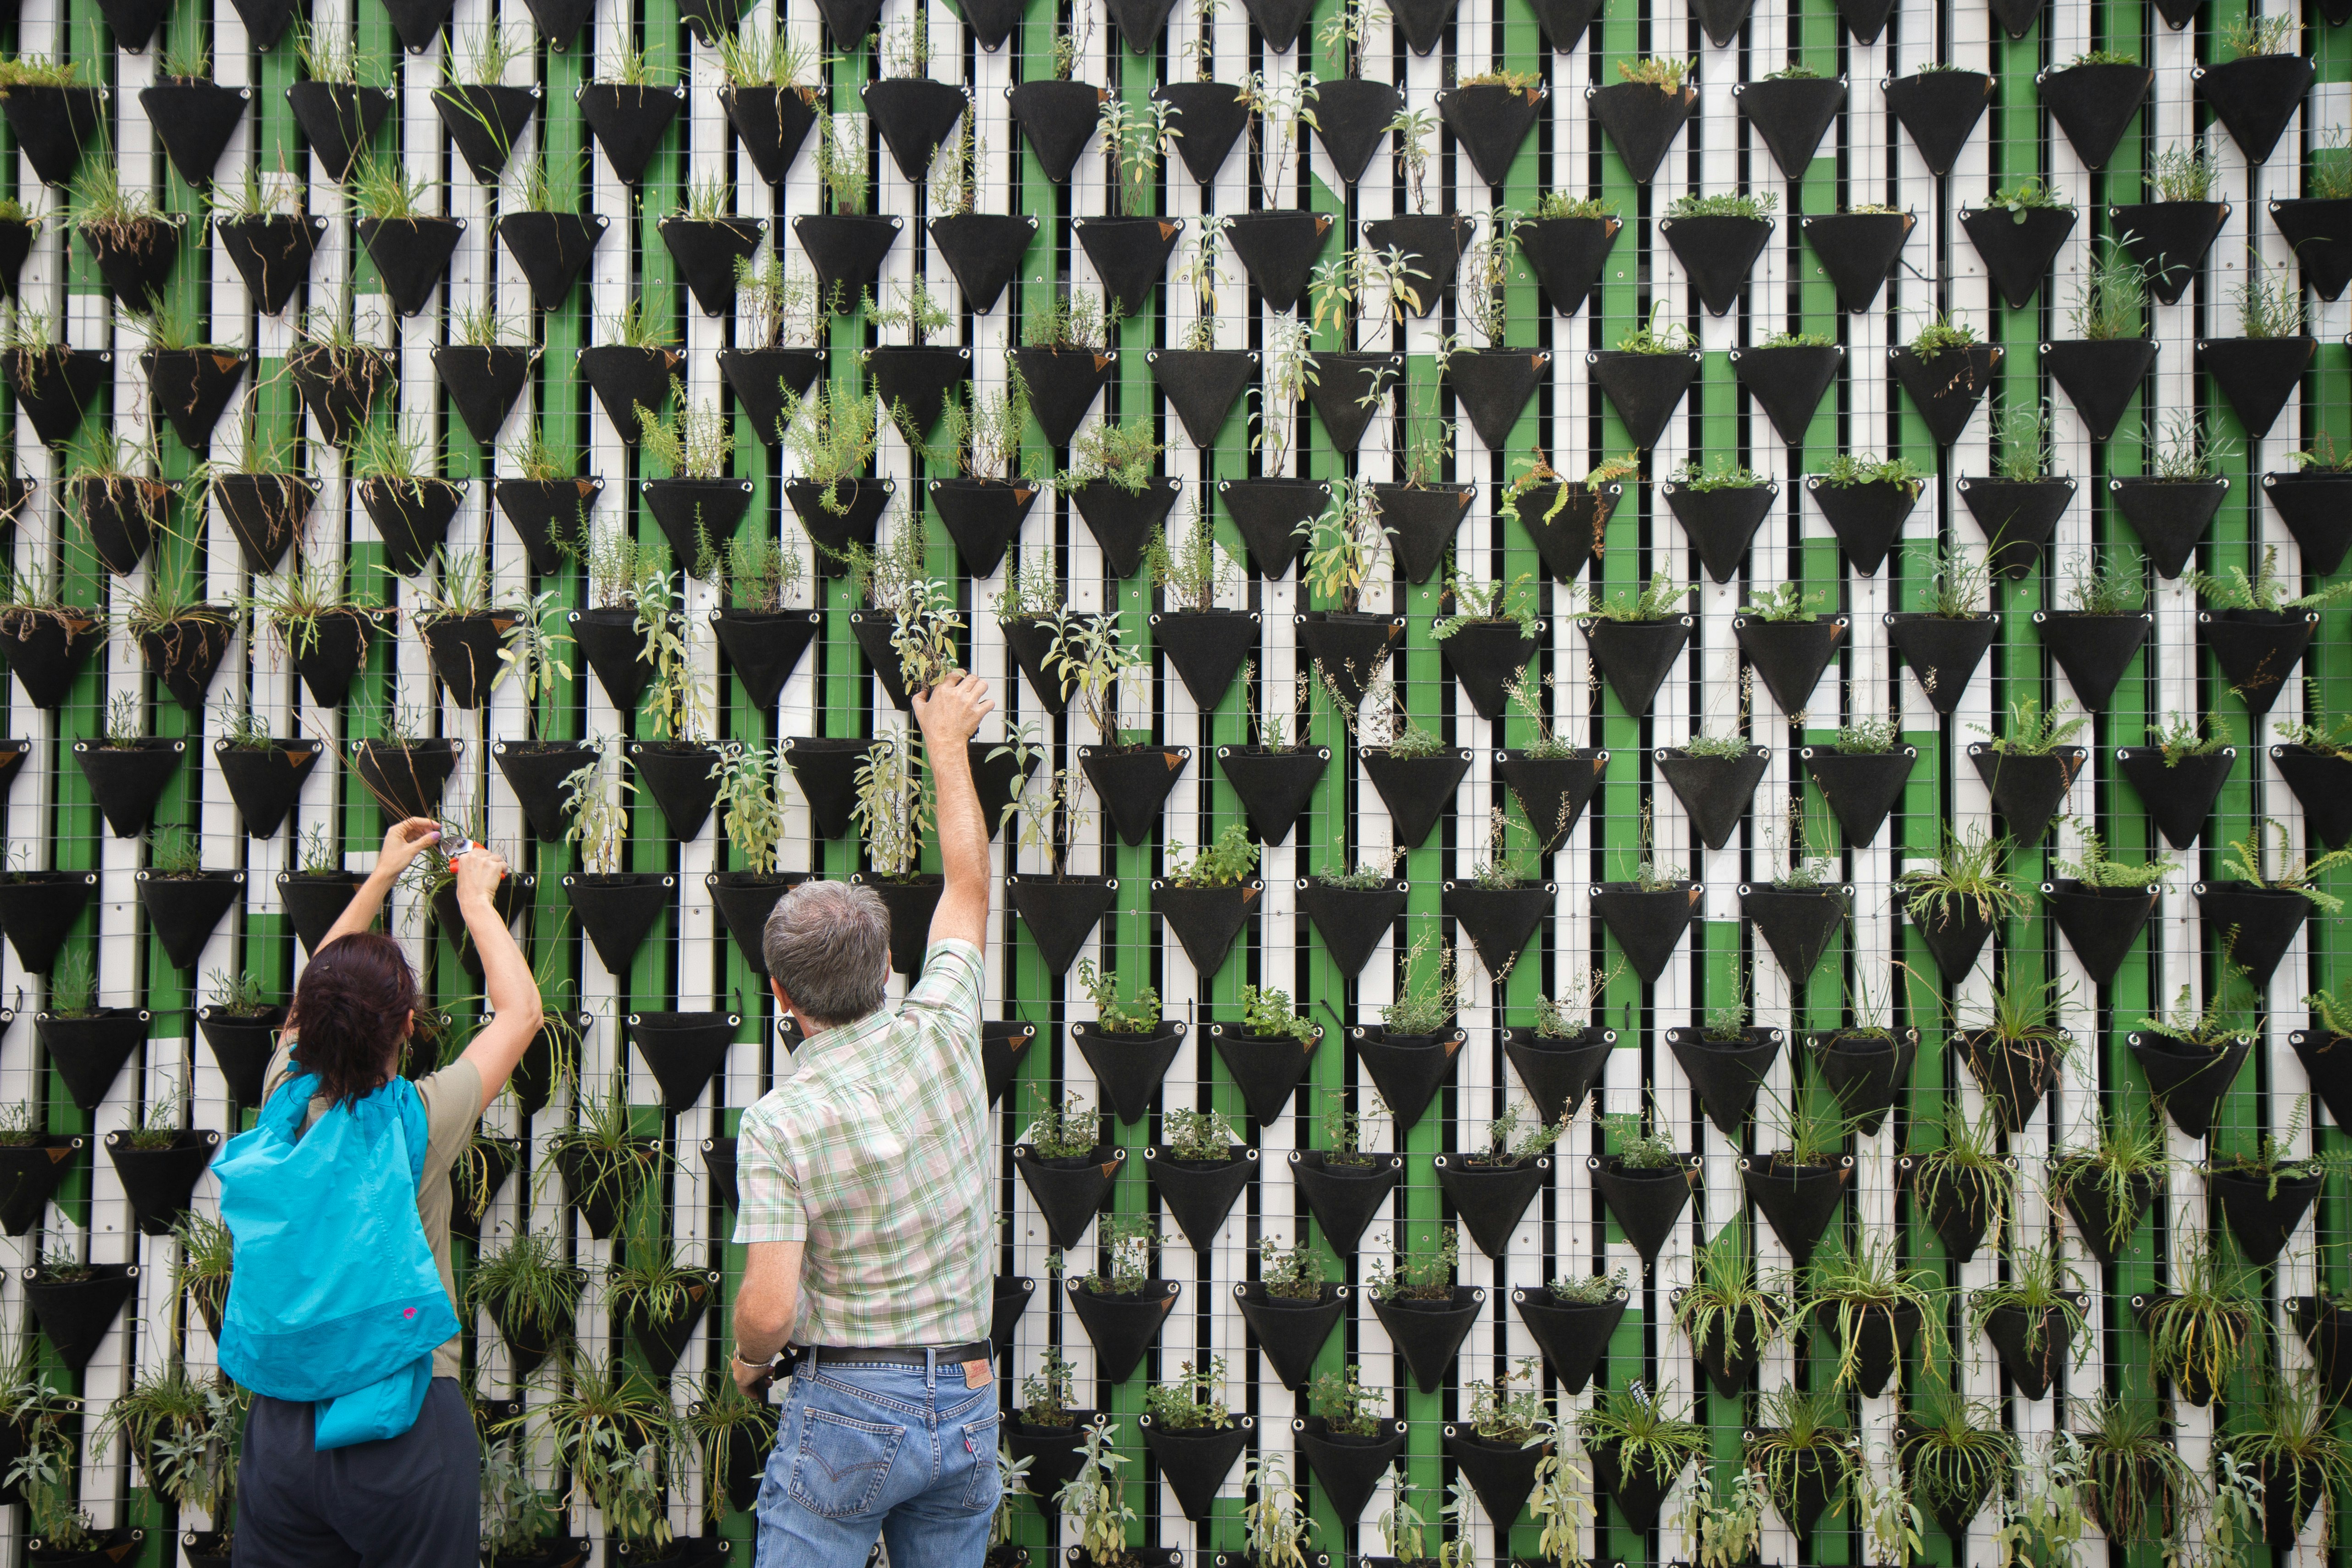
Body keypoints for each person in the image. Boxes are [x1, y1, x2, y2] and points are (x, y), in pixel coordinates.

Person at [730, 670, 1000, 1568]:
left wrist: (746, 1363)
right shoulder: (946, 1027)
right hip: (966, 1395)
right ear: (889, 963)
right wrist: (946, 744)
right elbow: (969, 882)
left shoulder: (779, 1123)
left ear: (781, 993)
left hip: (846, 1406)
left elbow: (769, 1311)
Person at [224, 819, 541, 1568]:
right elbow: (521, 1013)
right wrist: (475, 902)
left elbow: (314, 998)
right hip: (402, 1419)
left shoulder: (282, 1101)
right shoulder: (418, 1125)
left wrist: (381, 875)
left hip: (282, 1424)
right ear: (407, 1024)